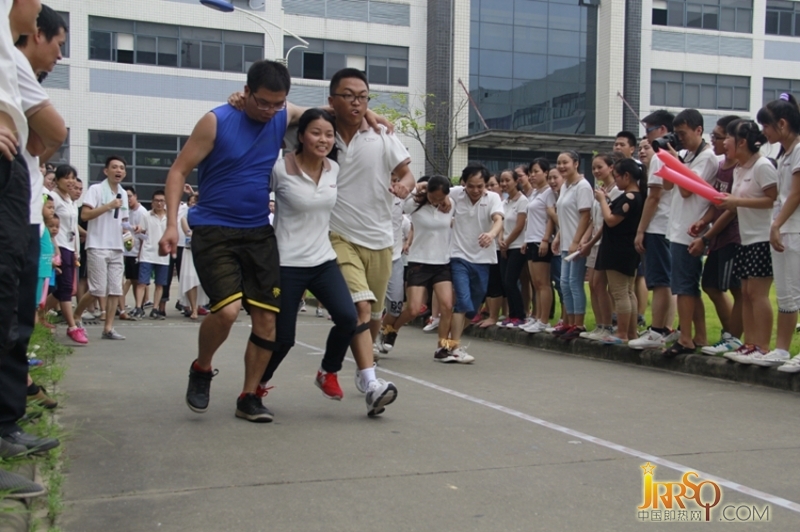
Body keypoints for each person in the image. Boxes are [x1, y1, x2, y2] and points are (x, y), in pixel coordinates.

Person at [160, 60, 298, 423]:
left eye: (278, 104)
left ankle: (249, 397)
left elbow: (335, 109)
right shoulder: (216, 120)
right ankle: (202, 368)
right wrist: (172, 225)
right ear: (246, 91)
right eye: (263, 102)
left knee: (268, 319)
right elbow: (178, 170)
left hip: (257, 232)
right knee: (226, 311)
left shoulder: (283, 116)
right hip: (214, 229)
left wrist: (373, 116)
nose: (270, 111)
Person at [323, 68, 415, 413]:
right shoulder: (320, 131)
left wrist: (405, 184)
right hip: (338, 235)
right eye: (348, 95)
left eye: (363, 97)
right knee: (361, 307)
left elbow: (406, 171)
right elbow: (287, 114)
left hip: (381, 239)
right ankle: (370, 381)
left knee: (374, 317)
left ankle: (335, 368)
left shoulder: (381, 136)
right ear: (332, 99)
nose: (357, 102)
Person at [256, 109, 359, 404]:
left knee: (347, 317)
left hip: (323, 260)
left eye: (329, 134)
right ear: (300, 136)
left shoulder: (333, 169)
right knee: (283, 339)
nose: (323, 139)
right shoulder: (279, 169)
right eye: (316, 132)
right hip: (287, 264)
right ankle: (258, 385)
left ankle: (328, 371)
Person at [1, 0, 64, 457]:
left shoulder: (11, 58)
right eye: (58, 44)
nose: (59, 55)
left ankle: (9, 418)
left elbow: (47, 137)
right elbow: (55, 132)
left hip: (19, 212)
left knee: (15, 323)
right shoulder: (12, 56)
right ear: (37, 31)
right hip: (12, 212)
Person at [715, 120, 777, 362]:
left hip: (762, 237)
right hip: (746, 237)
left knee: (758, 293)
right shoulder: (740, 169)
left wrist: (737, 202)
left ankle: (762, 346)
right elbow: (735, 202)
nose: (724, 143)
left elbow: (772, 200)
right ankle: (749, 343)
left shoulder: (763, 166)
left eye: (727, 138)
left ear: (742, 142)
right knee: (747, 292)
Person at [661, 109, 719, 357]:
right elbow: (667, 184)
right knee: (686, 287)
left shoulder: (707, 158)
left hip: (690, 230)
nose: (679, 138)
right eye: (677, 133)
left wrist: (677, 163)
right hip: (677, 229)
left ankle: (686, 338)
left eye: (683, 133)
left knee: (685, 287)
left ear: (699, 130)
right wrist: (669, 159)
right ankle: (700, 337)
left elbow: (687, 191)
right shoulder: (687, 155)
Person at [380, 175, 455, 359]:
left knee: (447, 306)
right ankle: (392, 330)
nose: (436, 201)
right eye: (433, 197)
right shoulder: (414, 204)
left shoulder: (450, 203)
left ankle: (443, 347)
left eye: (440, 198)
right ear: (427, 191)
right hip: (419, 262)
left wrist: (445, 198)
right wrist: (420, 186)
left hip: (442, 263)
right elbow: (404, 199)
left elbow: (464, 190)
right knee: (413, 309)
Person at [688, 116, 744, 356]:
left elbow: (731, 211)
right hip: (718, 236)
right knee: (711, 284)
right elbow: (717, 202)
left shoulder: (741, 170)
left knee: (736, 288)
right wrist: (702, 221)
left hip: (733, 237)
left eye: (720, 137)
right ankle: (730, 334)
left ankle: (734, 337)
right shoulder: (722, 167)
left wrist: (706, 236)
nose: (715, 141)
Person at [755, 94, 800, 371]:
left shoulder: (798, 150)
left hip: (794, 229)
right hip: (785, 229)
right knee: (785, 294)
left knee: (797, 291)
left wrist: (776, 224)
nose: (764, 132)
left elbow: (796, 194)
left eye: (767, 126)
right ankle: (782, 349)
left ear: (782, 123)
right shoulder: (785, 152)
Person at [442, 163, 504, 362]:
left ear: (486, 184)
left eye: (480, 186)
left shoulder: (493, 198)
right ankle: (455, 348)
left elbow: (498, 219)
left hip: (483, 259)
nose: (475, 190)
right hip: (458, 256)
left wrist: (491, 234)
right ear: (463, 184)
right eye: (471, 186)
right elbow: (433, 191)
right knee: (463, 302)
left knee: (473, 307)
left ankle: (448, 344)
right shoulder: (454, 194)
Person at [630, 111, 677, 350]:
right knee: (664, 281)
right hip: (667, 225)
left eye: (649, 130)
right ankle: (664, 328)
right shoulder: (670, 156)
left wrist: (641, 230)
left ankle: (657, 330)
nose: (646, 136)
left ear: (662, 130)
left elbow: (654, 196)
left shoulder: (660, 157)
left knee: (660, 281)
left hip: (659, 226)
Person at [72, 156, 129, 340]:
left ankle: (108, 328)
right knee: (97, 289)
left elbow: (123, 222)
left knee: (115, 289)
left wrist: (132, 230)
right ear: (106, 171)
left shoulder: (124, 193)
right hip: (97, 245)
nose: (118, 170)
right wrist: (108, 206)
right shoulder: (96, 190)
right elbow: (85, 215)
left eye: (121, 168)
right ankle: (76, 315)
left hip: (117, 247)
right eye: (114, 167)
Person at [594, 158, 645, 344]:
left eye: (617, 176)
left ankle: (622, 333)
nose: (615, 180)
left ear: (627, 176)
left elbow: (611, 220)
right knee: (628, 291)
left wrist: (602, 201)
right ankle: (631, 333)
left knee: (620, 292)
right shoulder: (637, 196)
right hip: (626, 249)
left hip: (618, 250)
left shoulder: (630, 197)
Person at [579, 153, 622, 341]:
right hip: (594, 242)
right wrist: (585, 238)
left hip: (605, 243)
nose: (596, 171)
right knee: (594, 286)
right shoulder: (601, 189)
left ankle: (608, 326)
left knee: (600, 284)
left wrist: (590, 241)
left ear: (611, 167)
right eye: (594, 168)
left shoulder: (617, 191)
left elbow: (607, 222)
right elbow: (593, 220)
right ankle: (600, 325)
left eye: (600, 167)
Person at [551, 151, 592, 340]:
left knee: (574, 283)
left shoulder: (582, 186)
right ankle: (568, 322)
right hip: (566, 241)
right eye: (559, 163)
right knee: (565, 283)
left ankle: (579, 323)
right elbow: (564, 215)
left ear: (576, 163)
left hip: (577, 243)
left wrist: (577, 241)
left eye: (565, 162)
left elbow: (585, 216)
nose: (561, 166)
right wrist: (559, 237)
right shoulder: (566, 186)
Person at [46, 164, 87, 343]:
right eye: (67, 178)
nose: (71, 181)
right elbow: (49, 224)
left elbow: (73, 228)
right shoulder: (52, 198)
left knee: (67, 288)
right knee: (64, 288)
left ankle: (39, 313)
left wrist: (77, 250)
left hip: (70, 248)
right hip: (59, 247)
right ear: (57, 180)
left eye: (73, 177)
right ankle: (72, 327)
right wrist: (54, 248)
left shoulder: (70, 201)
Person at [521, 158, 556, 334]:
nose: (532, 175)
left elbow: (551, 217)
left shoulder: (549, 192)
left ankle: (544, 320)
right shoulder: (534, 193)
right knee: (535, 283)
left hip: (542, 241)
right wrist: (526, 240)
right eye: (530, 172)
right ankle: (536, 317)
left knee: (543, 283)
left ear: (546, 173)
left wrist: (545, 238)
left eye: (536, 172)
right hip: (531, 240)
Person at [498, 169, 528, 328]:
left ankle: (520, 315)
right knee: (505, 282)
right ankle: (512, 315)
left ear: (516, 181)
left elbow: (520, 225)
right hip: (505, 246)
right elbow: (501, 223)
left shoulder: (522, 201)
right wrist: (501, 240)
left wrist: (508, 242)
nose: (504, 184)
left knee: (511, 281)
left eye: (507, 180)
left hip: (517, 246)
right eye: (502, 181)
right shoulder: (503, 202)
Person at [132, 190, 169, 320]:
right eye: (156, 200)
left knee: (159, 284)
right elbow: (141, 231)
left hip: (163, 255)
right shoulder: (146, 216)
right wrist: (138, 229)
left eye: (162, 201)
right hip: (147, 253)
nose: (159, 203)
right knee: (142, 283)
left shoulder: (170, 217)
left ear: (165, 202)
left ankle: (155, 308)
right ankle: (138, 308)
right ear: (152, 202)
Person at [478, 173, 505, 328]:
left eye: (493, 184)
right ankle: (486, 311)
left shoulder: (497, 202)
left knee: (496, 282)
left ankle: (494, 316)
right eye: (486, 185)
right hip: (481, 248)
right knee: (486, 283)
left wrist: (495, 236)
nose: (489, 188)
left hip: (496, 247)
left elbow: (500, 221)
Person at [178, 193, 207, 320]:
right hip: (190, 249)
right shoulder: (187, 214)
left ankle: (200, 306)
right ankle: (193, 308)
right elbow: (187, 231)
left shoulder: (209, 213)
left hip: (205, 250)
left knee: (203, 280)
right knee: (191, 279)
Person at [120, 185, 146, 317]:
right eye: (125, 197)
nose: (128, 199)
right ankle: (124, 306)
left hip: (136, 253)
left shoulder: (142, 212)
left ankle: (139, 306)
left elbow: (144, 235)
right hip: (125, 251)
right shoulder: (124, 211)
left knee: (136, 281)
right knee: (130, 279)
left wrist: (140, 254)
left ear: (135, 196)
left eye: (130, 196)